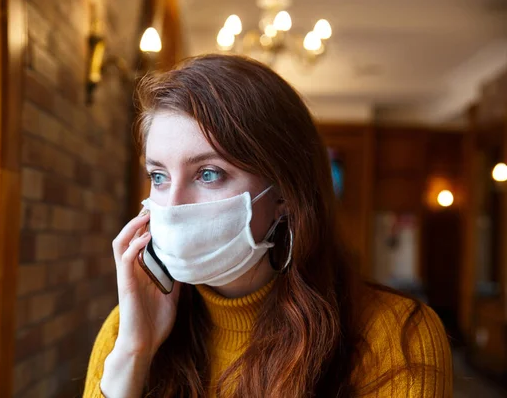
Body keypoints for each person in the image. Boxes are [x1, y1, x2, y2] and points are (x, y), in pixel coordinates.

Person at [83, 54, 452, 397]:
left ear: (284, 196)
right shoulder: (129, 328)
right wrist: (133, 354)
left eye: (208, 174)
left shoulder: (398, 336)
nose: (173, 204)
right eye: (158, 176)